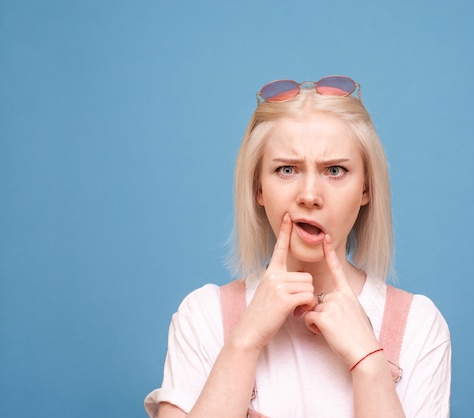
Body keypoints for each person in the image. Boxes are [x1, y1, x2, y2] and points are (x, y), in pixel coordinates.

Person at [144, 75, 451, 417]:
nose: (309, 196)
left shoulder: (419, 326)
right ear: (258, 188)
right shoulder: (202, 317)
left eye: (334, 170)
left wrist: (370, 364)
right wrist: (244, 343)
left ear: (366, 189)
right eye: (287, 169)